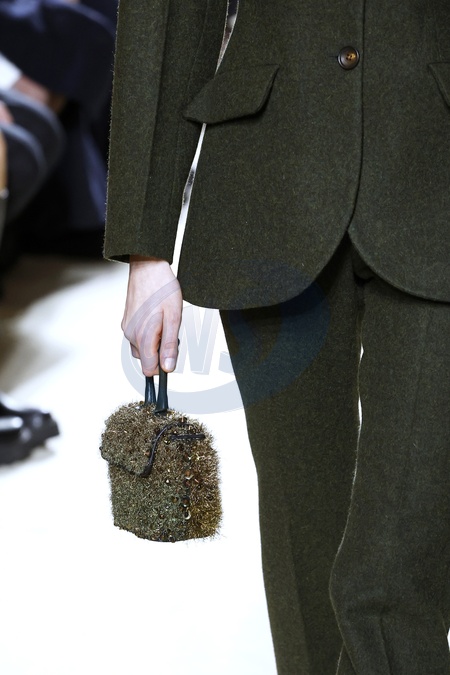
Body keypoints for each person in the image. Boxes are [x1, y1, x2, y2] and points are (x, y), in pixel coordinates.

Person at [104, 2, 450, 673]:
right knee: (306, 542)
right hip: (268, 180)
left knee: (393, 572)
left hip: (434, 169)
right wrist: (146, 246)